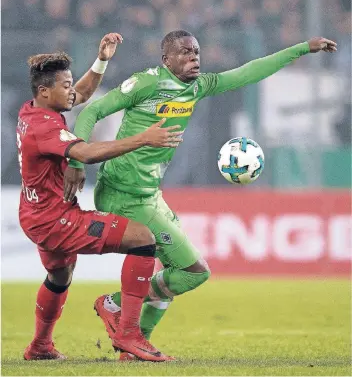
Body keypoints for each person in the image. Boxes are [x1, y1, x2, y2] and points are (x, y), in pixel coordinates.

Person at [64, 30, 337, 360]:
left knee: (169, 274)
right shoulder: (147, 83)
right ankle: (112, 305)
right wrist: (75, 158)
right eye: (185, 52)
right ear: (166, 60)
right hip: (124, 194)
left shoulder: (198, 86)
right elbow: (91, 111)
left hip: (149, 194)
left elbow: (247, 72)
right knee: (194, 272)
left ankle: (134, 348)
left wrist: (301, 48)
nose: (194, 57)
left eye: (196, 51)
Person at [17, 32, 183, 362]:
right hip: (55, 220)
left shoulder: (31, 109)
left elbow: (84, 91)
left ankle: (39, 346)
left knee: (59, 275)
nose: (72, 91)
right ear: (45, 91)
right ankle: (129, 333)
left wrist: (102, 60)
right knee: (142, 238)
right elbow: (89, 153)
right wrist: (143, 138)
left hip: (35, 213)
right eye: (65, 86)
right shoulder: (45, 127)